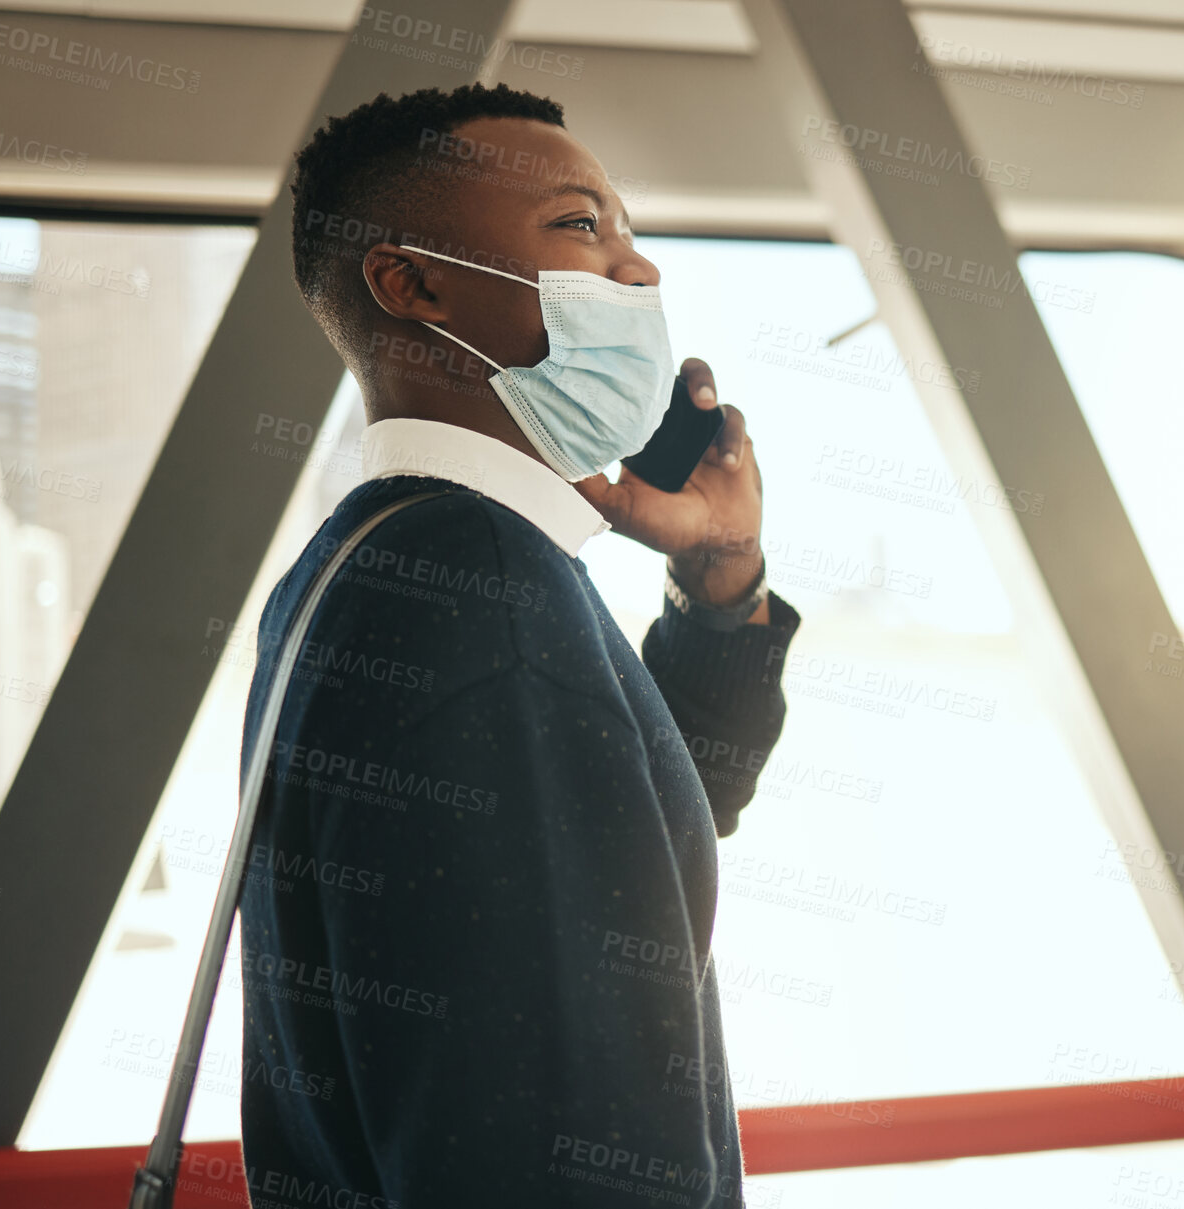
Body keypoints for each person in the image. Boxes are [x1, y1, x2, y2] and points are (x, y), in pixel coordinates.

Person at [235, 81, 800, 1209]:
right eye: (581, 226)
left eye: (629, 233)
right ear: (410, 283)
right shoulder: (484, 590)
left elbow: (614, 832)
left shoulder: (375, 560)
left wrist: (718, 573)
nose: (637, 271)